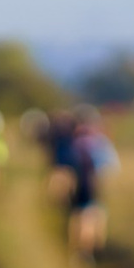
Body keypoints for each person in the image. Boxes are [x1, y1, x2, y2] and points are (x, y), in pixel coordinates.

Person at [49, 106, 117, 259]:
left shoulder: (72, 143)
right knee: (91, 217)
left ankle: (80, 252)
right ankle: (89, 252)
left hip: (77, 186)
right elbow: (110, 167)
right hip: (93, 186)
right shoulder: (101, 143)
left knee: (78, 218)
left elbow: (62, 166)